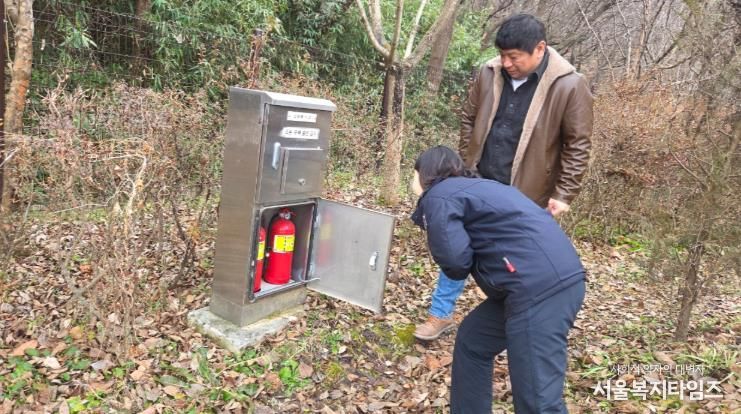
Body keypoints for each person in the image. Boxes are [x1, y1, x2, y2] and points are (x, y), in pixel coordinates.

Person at [414, 13, 593, 341]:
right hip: (479, 179)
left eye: (514, 57)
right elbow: (468, 118)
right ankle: (440, 314)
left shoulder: (569, 84)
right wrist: (466, 162)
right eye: (502, 55)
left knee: (521, 261)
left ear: (540, 49)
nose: (507, 63)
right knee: (455, 242)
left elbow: (577, 143)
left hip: (528, 190)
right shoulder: (489, 72)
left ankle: (516, 326)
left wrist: (564, 193)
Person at [410, 146, 586, 413]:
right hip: (550, 281)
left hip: (538, 290)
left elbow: (455, 262)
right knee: (473, 340)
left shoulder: (439, 195)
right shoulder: (480, 187)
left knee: (537, 400)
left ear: (423, 173)